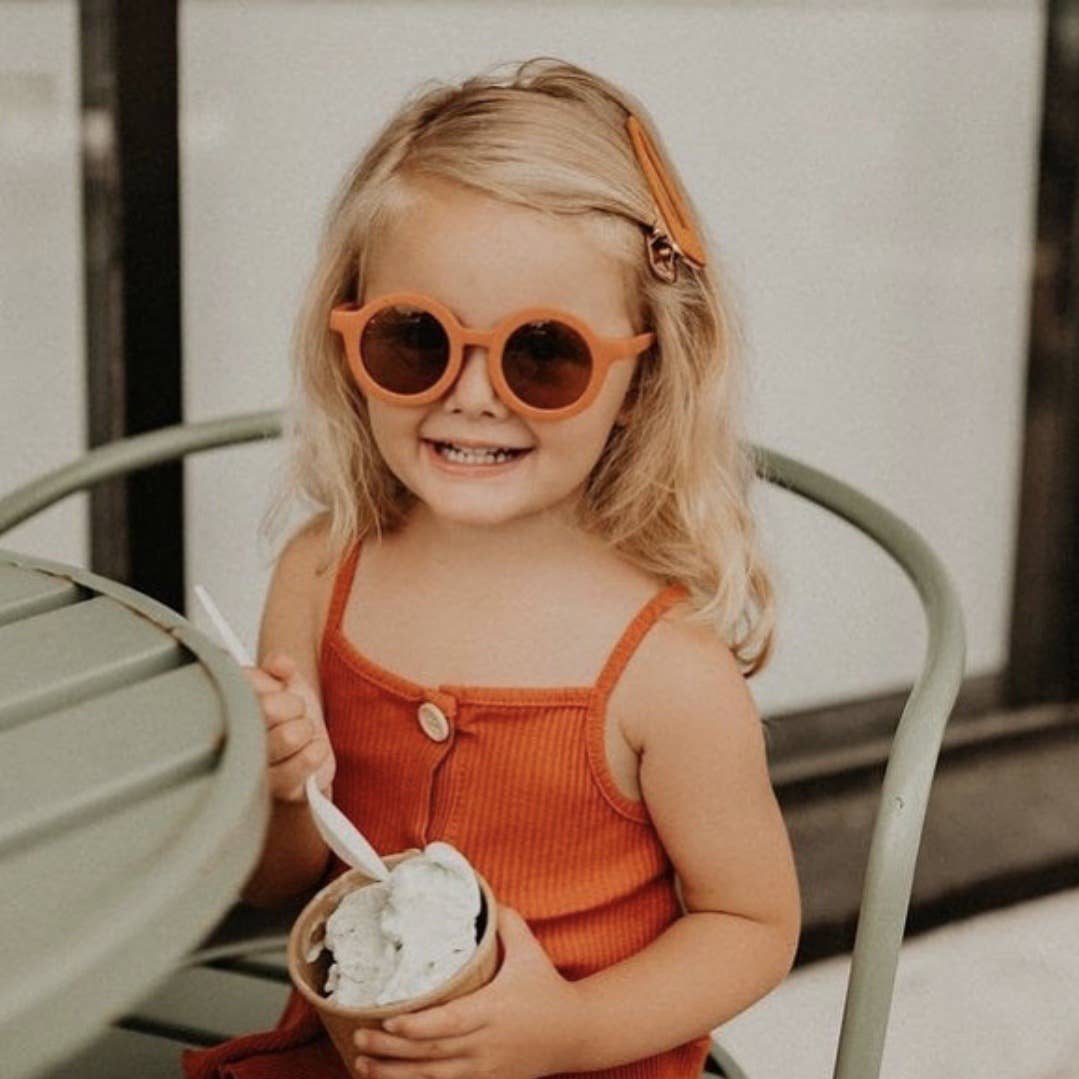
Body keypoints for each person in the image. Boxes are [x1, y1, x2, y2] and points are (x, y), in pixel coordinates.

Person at [183, 56, 800, 1079]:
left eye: (541, 355)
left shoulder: (664, 668)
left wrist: (569, 1030)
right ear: (348, 343)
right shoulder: (319, 571)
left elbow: (748, 920)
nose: (471, 395)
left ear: (641, 376)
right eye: (415, 341)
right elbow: (281, 878)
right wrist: (283, 788)